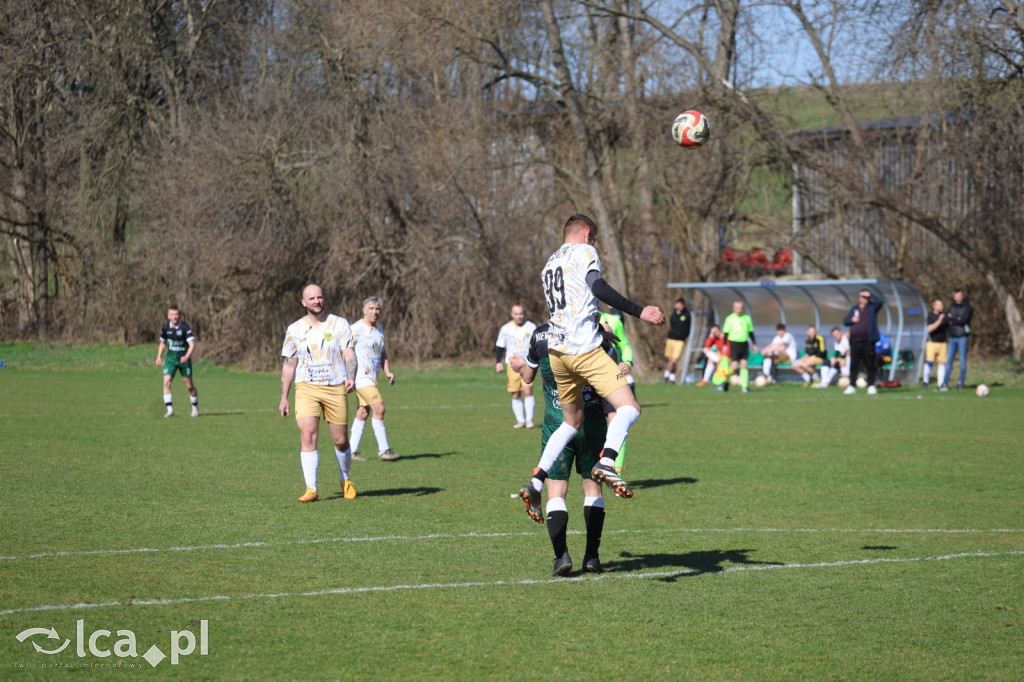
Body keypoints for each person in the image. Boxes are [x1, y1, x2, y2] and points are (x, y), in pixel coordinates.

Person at [517, 214, 665, 519]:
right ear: (586, 233)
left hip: (558, 354)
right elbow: (597, 287)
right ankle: (608, 461)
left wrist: (600, 331)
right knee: (630, 407)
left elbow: (574, 308)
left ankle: (536, 481)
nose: (595, 243)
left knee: (570, 423)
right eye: (594, 237)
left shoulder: (549, 264)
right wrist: (640, 311)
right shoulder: (585, 252)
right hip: (583, 350)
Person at [509, 324, 610, 576]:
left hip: (557, 424)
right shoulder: (594, 331)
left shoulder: (540, 335)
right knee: (592, 486)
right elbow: (611, 373)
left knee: (556, 490)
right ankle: (592, 557)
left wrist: (520, 365)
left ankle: (561, 556)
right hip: (592, 423)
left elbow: (528, 378)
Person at [279, 284, 358, 503]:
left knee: (341, 440)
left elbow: (349, 354)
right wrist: (284, 397)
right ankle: (311, 488)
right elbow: (288, 364)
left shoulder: (340, 324)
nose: (317, 301)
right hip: (306, 388)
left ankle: (346, 479)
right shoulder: (294, 329)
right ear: (303, 303)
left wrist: (351, 375)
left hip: (335, 388)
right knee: (307, 434)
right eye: (312, 298)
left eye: (320, 297)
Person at [348, 296, 400, 462]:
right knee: (379, 408)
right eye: (371, 308)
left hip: (372, 378)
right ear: (364, 310)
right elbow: (344, 352)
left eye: (377, 309)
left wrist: (388, 371)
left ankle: (351, 451)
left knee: (363, 412)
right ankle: (384, 450)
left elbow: (383, 353)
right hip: (361, 378)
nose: (374, 311)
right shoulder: (355, 329)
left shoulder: (379, 331)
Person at [598, 311, 633, 473]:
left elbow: (624, 345)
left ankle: (615, 468)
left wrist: (627, 362)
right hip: (584, 381)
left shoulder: (613, 320)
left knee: (616, 421)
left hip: (609, 379)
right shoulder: (574, 315)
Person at [495, 304, 537, 428]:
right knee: (515, 393)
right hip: (512, 365)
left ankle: (529, 420)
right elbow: (500, 346)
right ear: (512, 314)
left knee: (528, 390)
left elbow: (536, 346)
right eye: (517, 314)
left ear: (524, 314)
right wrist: (498, 362)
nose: (519, 316)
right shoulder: (506, 328)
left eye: (521, 313)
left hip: (528, 364)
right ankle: (520, 420)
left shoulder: (531, 327)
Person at [155, 305, 199, 418]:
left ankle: (195, 407)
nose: (175, 317)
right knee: (166, 382)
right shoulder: (165, 328)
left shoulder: (184, 327)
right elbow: (163, 343)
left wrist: (187, 356)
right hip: (171, 359)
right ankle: (170, 410)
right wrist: (159, 356)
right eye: (173, 315)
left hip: (184, 360)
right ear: (168, 316)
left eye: (177, 314)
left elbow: (192, 344)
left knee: (189, 386)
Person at [842, 289, 884, 395]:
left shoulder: (872, 308)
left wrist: (870, 294)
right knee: (854, 365)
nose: (864, 299)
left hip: (868, 342)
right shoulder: (855, 309)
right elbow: (846, 321)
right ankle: (852, 386)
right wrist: (852, 320)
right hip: (855, 342)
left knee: (870, 364)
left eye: (866, 297)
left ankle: (871, 385)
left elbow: (880, 301)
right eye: (862, 296)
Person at [721, 301, 758, 393]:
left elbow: (750, 332)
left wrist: (754, 344)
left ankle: (744, 387)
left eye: (741, 307)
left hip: (744, 344)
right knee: (733, 367)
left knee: (744, 365)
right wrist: (725, 345)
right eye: (737, 308)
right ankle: (725, 381)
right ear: (734, 308)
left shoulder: (747, 318)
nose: (739, 309)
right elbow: (726, 333)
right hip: (734, 344)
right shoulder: (729, 318)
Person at [943, 288, 973, 391]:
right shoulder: (951, 306)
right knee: (948, 361)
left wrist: (953, 319)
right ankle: (945, 383)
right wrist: (955, 319)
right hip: (952, 337)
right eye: (955, 296)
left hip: (962, 336)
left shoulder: (968, 307)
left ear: (963, 296)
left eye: (959, 295)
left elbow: (963, 320)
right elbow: (946, 319)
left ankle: (961, 382)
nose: (957, 297)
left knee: (962, 361)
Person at [662, 298, 691, 384]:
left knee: (674, 360)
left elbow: (688, 328)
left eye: (680, 304)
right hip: (670, 339)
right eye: (677, 304)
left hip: (680, 340)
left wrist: (685, 335)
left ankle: (666, 374)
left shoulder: (687, 315)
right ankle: (672, 378)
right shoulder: (673, 315)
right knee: (671, 360)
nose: (679, 306)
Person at [923, 299, 949, 389]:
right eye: (938, 305)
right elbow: (929, 329)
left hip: (942, 343)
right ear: (934, 306)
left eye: (942, 305)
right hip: (931, 343)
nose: (941, 307)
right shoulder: (930, 316)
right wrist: (939, 320)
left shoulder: (945, 316)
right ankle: (925, 382)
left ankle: (940, 384)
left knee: (942, 364)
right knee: (929, 362)